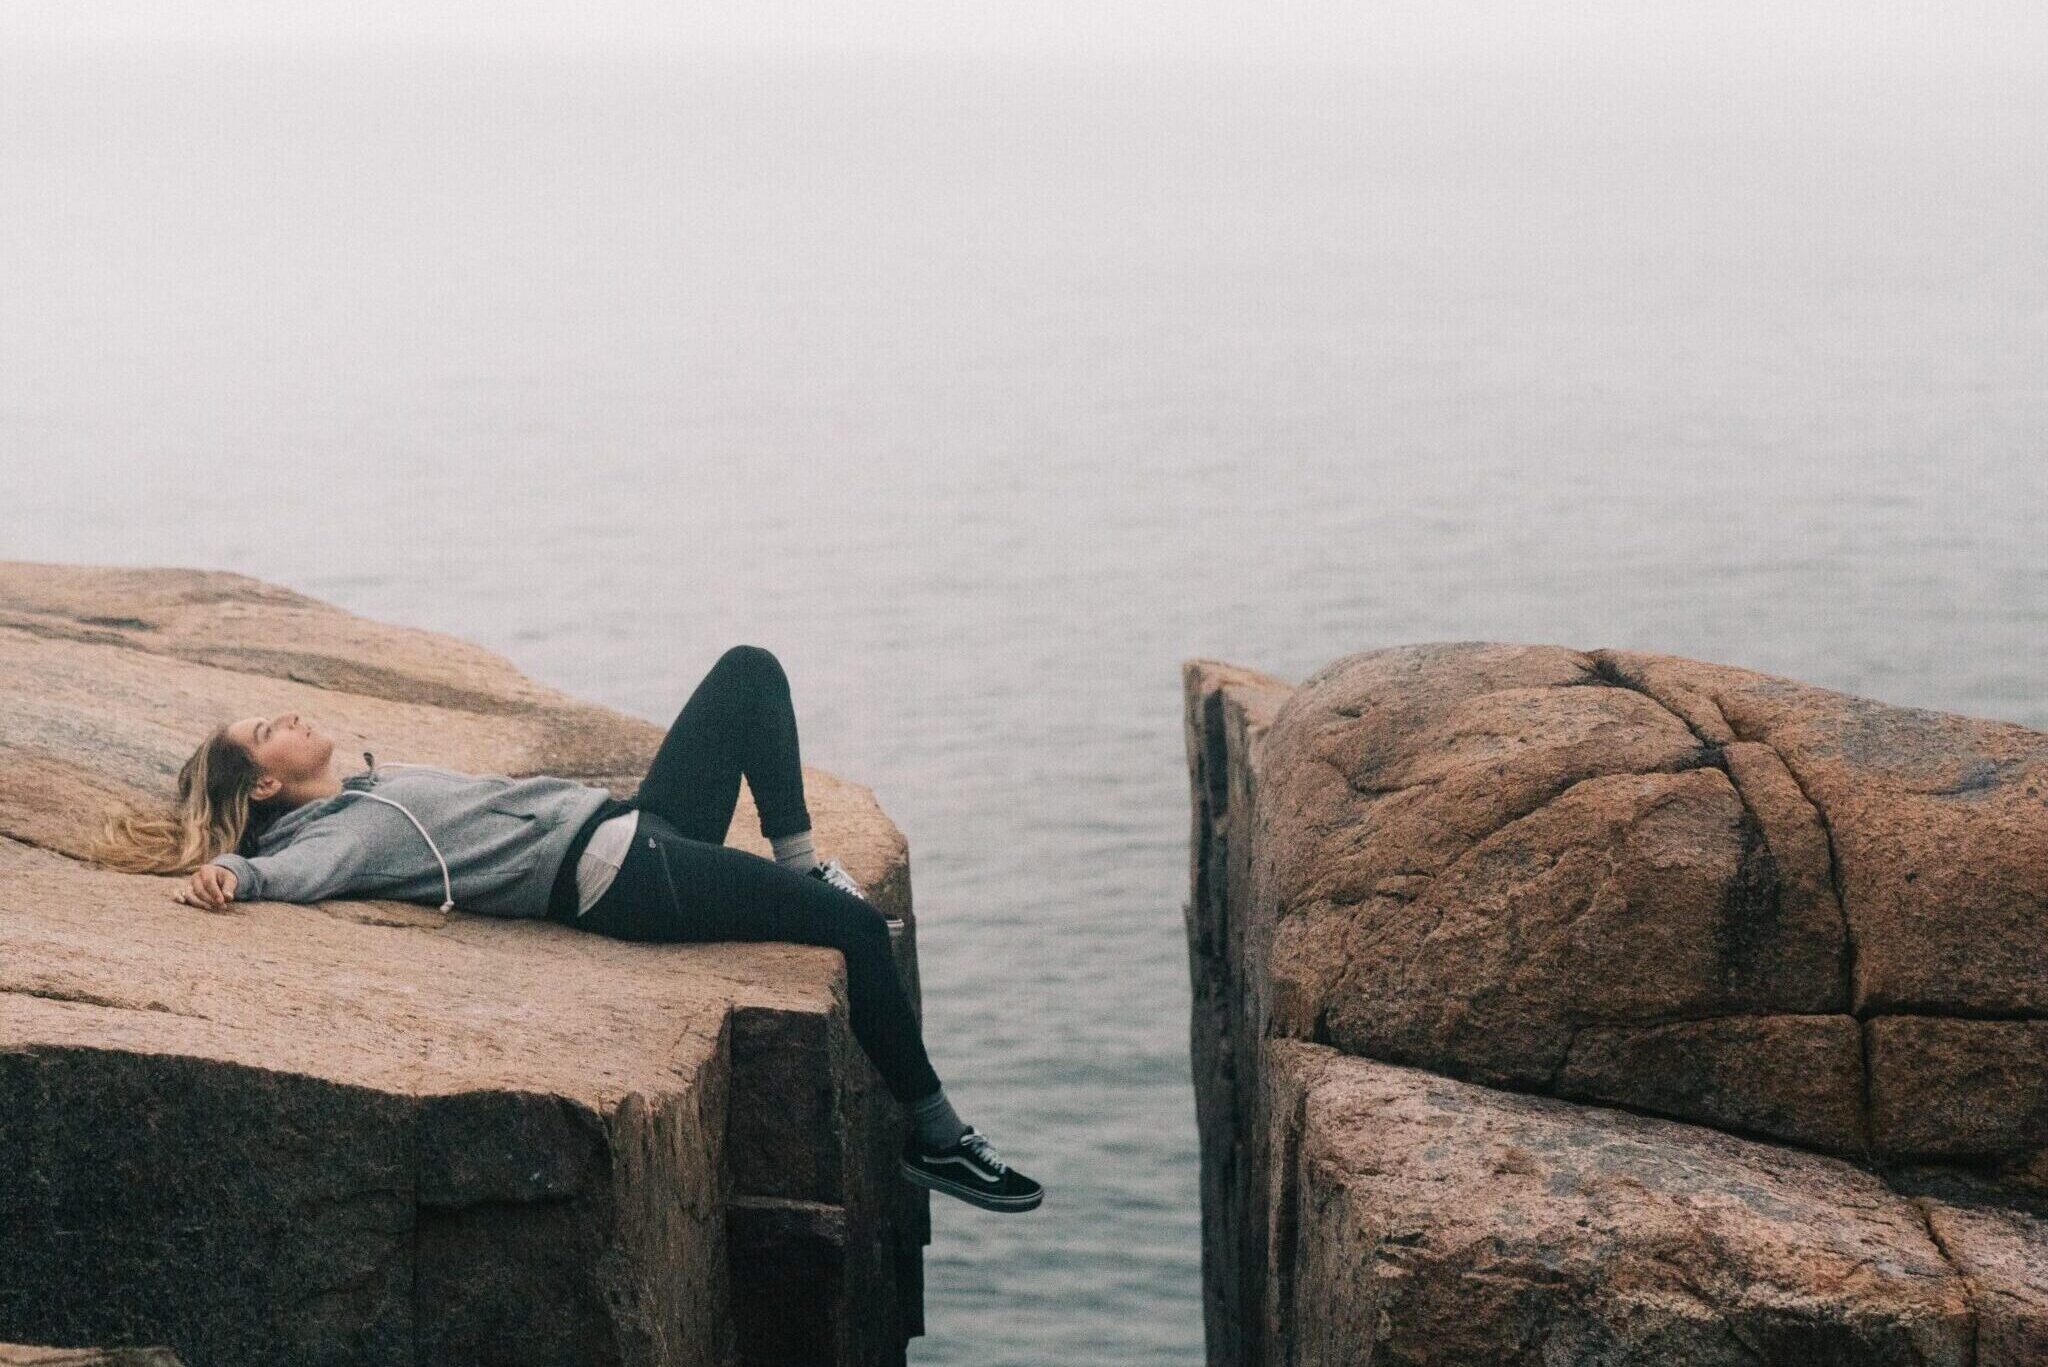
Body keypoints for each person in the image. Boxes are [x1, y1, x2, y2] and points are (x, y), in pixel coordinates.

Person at [89, 643, 1043, 1213]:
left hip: (635, 823)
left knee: (749, 673)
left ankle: (801, 863)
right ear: (264, 782)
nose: (287, 715)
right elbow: (288, 872)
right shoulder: (349, 830)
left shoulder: (366, 791)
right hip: (628, 877)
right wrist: (230, 871)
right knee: (855, 932)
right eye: (267, 730)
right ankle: (937, 1135)